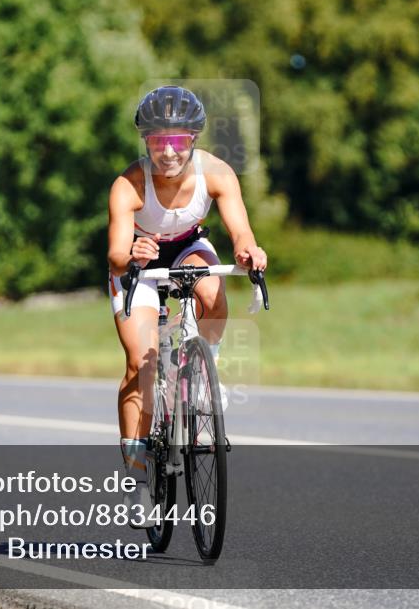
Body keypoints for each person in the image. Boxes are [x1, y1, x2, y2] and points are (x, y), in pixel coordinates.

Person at [107, 86, 267, 520]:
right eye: (158, 140)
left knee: (214, 293)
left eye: (178, 140)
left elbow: (241, 233)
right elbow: (116, 255)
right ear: (146, 141)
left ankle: (200, 374)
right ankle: (136, 475)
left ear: (193, 139)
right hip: (139, 260)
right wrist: (132, 254)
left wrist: (248, 252)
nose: (168, 151)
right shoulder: (128, 185)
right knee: (140, 364)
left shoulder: (217, 173)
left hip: (187, 247)